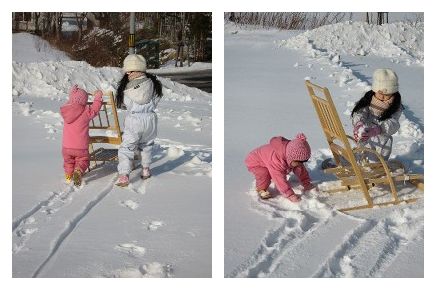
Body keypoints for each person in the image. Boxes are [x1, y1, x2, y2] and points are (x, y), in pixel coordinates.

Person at [115, 54, 163, 187]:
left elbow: (126, 104)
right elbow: (157, 99)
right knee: (147, 145)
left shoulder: (128, 87)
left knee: (127, 147)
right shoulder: (153, 83)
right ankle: (146, 169)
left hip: (135, 120)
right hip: (150, 120)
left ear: (130, 70)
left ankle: (124, 175)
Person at [245, 133, 315, 202]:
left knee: (297, 167)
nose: (301, 164)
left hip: (267, 158)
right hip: (255, 161)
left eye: (304, 161)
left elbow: (301, 170)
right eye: (299, 161)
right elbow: (279, 179)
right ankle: (261, 189)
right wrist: (289, 194)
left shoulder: (293, 155)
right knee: (265, 174)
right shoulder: (276, 161)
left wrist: (306, 183)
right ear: (290, 158)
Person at [352, 68, 403, 160]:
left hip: (382, 136)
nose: (383, 97)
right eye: (380, 93)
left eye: (387, 94)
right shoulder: (369, 100)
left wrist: (378, 129)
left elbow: (393, 123)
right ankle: (359, 159)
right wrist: (359, 123)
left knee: (384, 144)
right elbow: (360, 112)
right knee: (363, 148)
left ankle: (377, 163)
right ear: (375, 90)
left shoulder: (395, 105)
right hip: (366, 132)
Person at [60, 85, 103, 186]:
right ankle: (78, 171)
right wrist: (98, 96)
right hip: (80, 147)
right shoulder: (86, 112)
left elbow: (72, 101)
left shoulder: (66, 111)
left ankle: (68, 176)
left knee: (68, 162)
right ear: (84, 101)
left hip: (66, 147)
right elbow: (95, 109)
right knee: (83, 160)